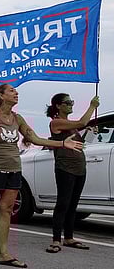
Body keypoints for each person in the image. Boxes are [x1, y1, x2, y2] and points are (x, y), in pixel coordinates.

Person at [0, 84, 83, 267]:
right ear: (1, 96)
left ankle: (3, 254)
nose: (16, 93)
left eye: (16, 91)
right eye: (11, 91)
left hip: (14, 168)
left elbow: (35, 139)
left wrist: (62, 144)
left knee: (7, 210)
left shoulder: (17, 118)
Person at [45, 93, 99, 254]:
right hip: (65, 168)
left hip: (79, 168)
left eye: (72, 102)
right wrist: (92, 106)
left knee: (73, 204)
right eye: (67, 103)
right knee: (63, 203)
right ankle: (56, 239)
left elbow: (80, 143)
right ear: (58, 106)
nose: (71, 105)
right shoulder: (56, 122)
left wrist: (88, 132)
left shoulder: (71, 126)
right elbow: (82, 121)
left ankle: (68, 237)